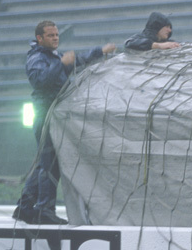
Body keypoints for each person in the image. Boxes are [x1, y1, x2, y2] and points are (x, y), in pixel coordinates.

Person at [13, 21, 116, 225]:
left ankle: (25, 207)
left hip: (53, 114)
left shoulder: (53, 57)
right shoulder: (37, 58)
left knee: (46, 163)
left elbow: (78, 60)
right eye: (50, 35)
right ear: (39, 38)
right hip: (46, 114)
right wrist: (61, 64)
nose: (55, 38)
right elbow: (40, 80)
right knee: (50, 165)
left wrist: (99, 52)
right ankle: (44, 208)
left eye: (57, 34)